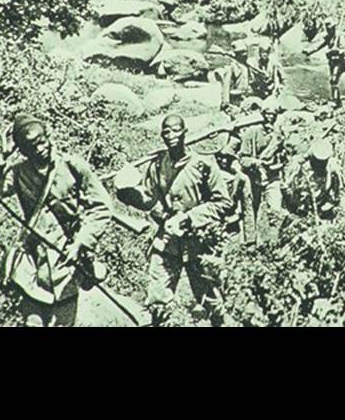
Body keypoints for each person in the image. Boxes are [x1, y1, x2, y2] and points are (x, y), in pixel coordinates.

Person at [0, 112, 113, 327]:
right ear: (22, 150)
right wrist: (1, 158)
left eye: (41, 141)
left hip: (66, 260)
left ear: (48, 136)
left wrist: (81, 243)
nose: (40, 148)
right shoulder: (18, 172)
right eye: (31, 146)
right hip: (32, 263)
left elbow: (101, 208)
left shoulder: (72, 166)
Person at [114, 115, 231, 326]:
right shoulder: (158, 164)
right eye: (166, 132)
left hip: (198, 242)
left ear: (185, 132)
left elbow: (223, 202)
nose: (171, 135)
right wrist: (128, 194)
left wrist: (190, 218)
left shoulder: (203, 164)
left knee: (212, 301)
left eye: (176, 130)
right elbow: (149, 199)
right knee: (158, 302)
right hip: (167, 242)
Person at [239, 98, 288, 237]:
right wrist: (256, 162)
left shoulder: (279, 135)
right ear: (262, 114)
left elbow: (285, 158)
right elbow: (243, 158)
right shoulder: (251, 132)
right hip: (254, 177)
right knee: (250, 210)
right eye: (267, 114)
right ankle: (250, 241)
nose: (270, 117)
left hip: (272, 177)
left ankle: (274, 241)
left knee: (275, 210)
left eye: (273, 114)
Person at [284, 138, 341, 220]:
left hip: (321, 199)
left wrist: (329, 173)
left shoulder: (331, 166)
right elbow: (288, 184)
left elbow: (331, 187)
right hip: (301, 198)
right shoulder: (299, 163)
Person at [214, 134, 254, 244]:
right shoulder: (209, 175)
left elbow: (247, 208)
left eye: (228, 158)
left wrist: (250, 239)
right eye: (220, 157)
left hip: (231, 226)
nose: (224, 161)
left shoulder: (240, 178)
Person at [304, 17, 345, 107]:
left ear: (333, 27)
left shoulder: (340, 36)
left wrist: (332, 51)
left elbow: (343, 51)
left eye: (329, 28)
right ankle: (335, 99)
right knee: (332, 80)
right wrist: (309, 51)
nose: (328, 30)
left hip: (341, 61)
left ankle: (336, 101)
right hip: (333, 61)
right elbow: (319, 46)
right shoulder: (329, 36)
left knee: (334, 79)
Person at [218, 39, 254, 111]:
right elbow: (226, 85)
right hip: (235, 99)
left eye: (245, 52)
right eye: (242, 53)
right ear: (236, 54)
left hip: (245, 97)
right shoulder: (232, 67)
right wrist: (225, 103)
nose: (245, 55)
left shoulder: (246, 66)